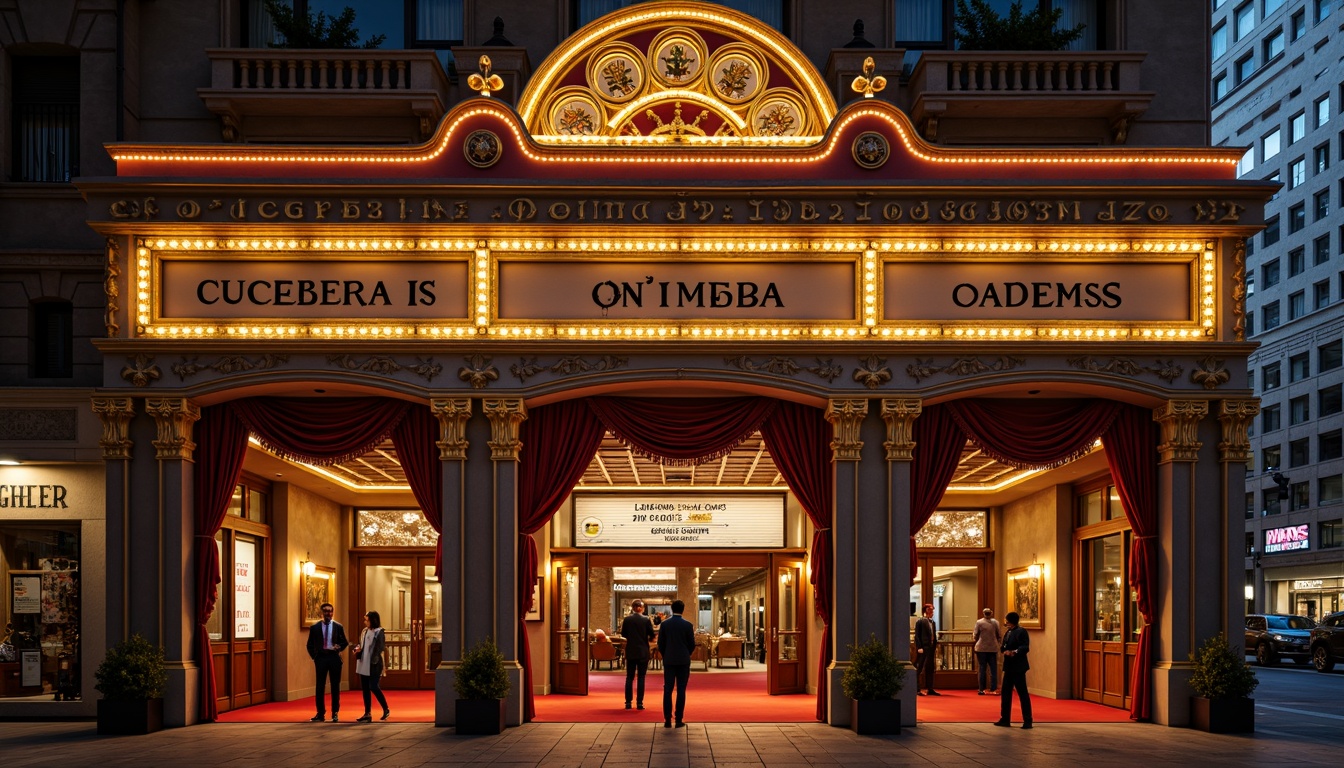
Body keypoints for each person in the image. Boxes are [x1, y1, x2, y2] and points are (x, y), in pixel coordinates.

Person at [305, 602, 348, 722]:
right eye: (326, 611)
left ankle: (335, 713)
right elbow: (309, 645)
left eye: (330, 611)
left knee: (335, 686)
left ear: (332, 613)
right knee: (320, 686)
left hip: (334, 657)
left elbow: (344, 642)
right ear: (322, 613)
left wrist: (338, 647)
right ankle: (320, 713)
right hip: (321, 658)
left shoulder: (338, 626)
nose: (328, 613)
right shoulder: (315, 628)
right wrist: (315, 657)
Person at [656, 598, 696, 728]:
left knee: (667, 689)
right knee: (681, 689)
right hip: (683, 660)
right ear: (683, 610)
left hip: (669, 660)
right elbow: (692, 644)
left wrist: (665, 654)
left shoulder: (665, 624)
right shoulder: (688, 625)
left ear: (672, 609)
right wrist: (686, 654)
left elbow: (660, 643)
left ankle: (667, 719)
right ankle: (679, 719)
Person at [995, 611, 1033, 729]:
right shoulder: (1008, 632)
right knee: (1006, 693)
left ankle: (1028, 721)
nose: (1005, 622)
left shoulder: (1021, 632)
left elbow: (1025, 647)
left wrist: (1014, 652)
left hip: (1018, 667)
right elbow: (1004, 646)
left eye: (1006, 620)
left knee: (1022, 694)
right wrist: (1004, 650)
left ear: (1010, 621)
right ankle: (1005, 719)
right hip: (1009, 667)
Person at [352, 610, 390, 722]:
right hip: (363, 662)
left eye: (366, 620)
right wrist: (357, 649)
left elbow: (380, 647)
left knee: (373, 686)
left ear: (372, 620)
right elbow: (361, 643)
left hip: (374, 663)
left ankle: (385, 708)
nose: (365, 622)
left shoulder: (379, 632)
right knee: (365, 689)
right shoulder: (364, 631)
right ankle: (367, 713)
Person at [620, 599, 654, 710]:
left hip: (630, 651)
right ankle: (640, 703)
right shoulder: (646, 619)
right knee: (641, 677)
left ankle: (628, 703)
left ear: (633, 608)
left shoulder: (627, 620)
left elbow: (624, 634)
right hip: (643, 651)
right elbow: (652, 634)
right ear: (642, 608)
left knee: (629, 677)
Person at [973, 607, 1002, 695]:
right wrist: (998, 644)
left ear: (983, 613)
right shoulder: (996, 622)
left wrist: (977, 640)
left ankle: (981, 689)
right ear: (991, 613)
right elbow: (999, 635)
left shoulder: (979, 622)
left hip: (981, 648)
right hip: (993, 648)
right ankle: (993, 688)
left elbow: (975, 634)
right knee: (993, 669)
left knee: (982, 669)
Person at [914, 603, 940, 696]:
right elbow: (917, 635)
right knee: (919, 667)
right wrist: (919, 647)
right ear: (926, 611)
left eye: (933, 610)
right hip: (923, 648)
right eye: (931, 610)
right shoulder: (920, 621)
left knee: (930, 668)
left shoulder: (933, 622)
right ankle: (917, 688)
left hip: (931, 647)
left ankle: (930, 688)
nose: (932, 612)